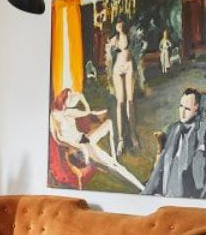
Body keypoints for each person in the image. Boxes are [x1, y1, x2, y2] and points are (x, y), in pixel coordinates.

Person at [50, 88, 144, 191]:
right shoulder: (54, 116)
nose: (73, 99)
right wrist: (78, 146)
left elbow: (87, 111)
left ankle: (114, 155)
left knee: (109, 123)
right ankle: (141, 188)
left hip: (85, 140)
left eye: (73, 97)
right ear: (63, 98)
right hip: (78, 148)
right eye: (70, 97)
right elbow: (58, 139)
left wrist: (82, 98)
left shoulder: (69, 111)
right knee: (114, 167)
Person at [142, 88, 206, 198]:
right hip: (167, 193)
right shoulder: (173, 129)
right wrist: (145, 194)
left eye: (187, 109)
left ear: (196, 110)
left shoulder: (201, 130)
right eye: (181, 106)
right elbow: (160, 165)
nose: (182, 112)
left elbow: (199, 173)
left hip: (190, 197)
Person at [106, 16, 139, 156]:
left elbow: (136, 52)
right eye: (117, 22)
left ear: (125, 24)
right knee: (120, 102)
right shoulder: (113, 40)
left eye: (121, 22)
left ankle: (132, 135)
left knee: (130, 101)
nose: (119, 25)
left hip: (129, 66)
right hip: (117, 69)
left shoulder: (131, 36)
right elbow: (108, 60)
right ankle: (120, 139)